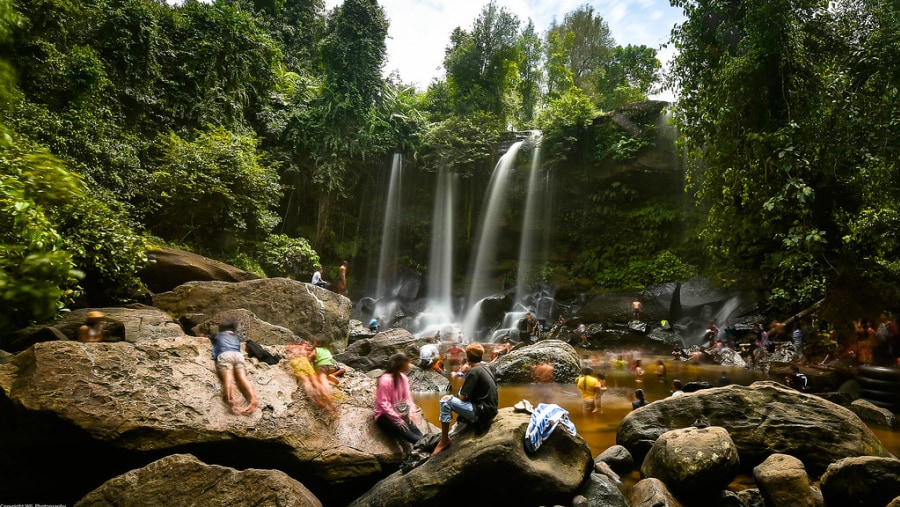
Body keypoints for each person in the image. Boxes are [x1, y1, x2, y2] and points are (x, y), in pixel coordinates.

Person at [433, 343, 498, 455]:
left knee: (446, 400)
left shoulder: (473, 372)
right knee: (459, 396)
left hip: (482, 412)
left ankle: (444, 440)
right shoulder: (485, 368)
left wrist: (467, 372)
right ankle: (461, 423)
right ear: (481, 357)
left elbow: (462, 397)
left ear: (467, 358)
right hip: (490, 408)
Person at [374, 353, 423, 451]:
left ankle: (427, 443)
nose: (409, 366)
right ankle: (429, 446)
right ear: (400, 364)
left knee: (415, 429)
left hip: (400, 411)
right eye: (407, 363)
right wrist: (397, 419)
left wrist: (410, 413)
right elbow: (383, 402)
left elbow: (407, 397)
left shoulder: (403, 377)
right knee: (406, 432)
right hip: (385, 416)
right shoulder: (385, 380)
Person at [210, 319, 260, 416]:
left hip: (225, 354)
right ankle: (253, 399)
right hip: (238, 355)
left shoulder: (218, 335)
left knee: (229, 377)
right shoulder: (236, 337)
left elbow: (208, 337)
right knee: (243, 378)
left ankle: (230, 399)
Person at [286, 341, 336, 414]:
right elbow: (309, 358)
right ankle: (327, 399)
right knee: (315, 381)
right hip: (305, 362)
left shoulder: (293, 348)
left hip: (297, 362)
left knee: (306, 381)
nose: (307, 345)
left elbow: (288, 356)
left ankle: (314, 398)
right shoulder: (305, 349)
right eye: (306, 343)